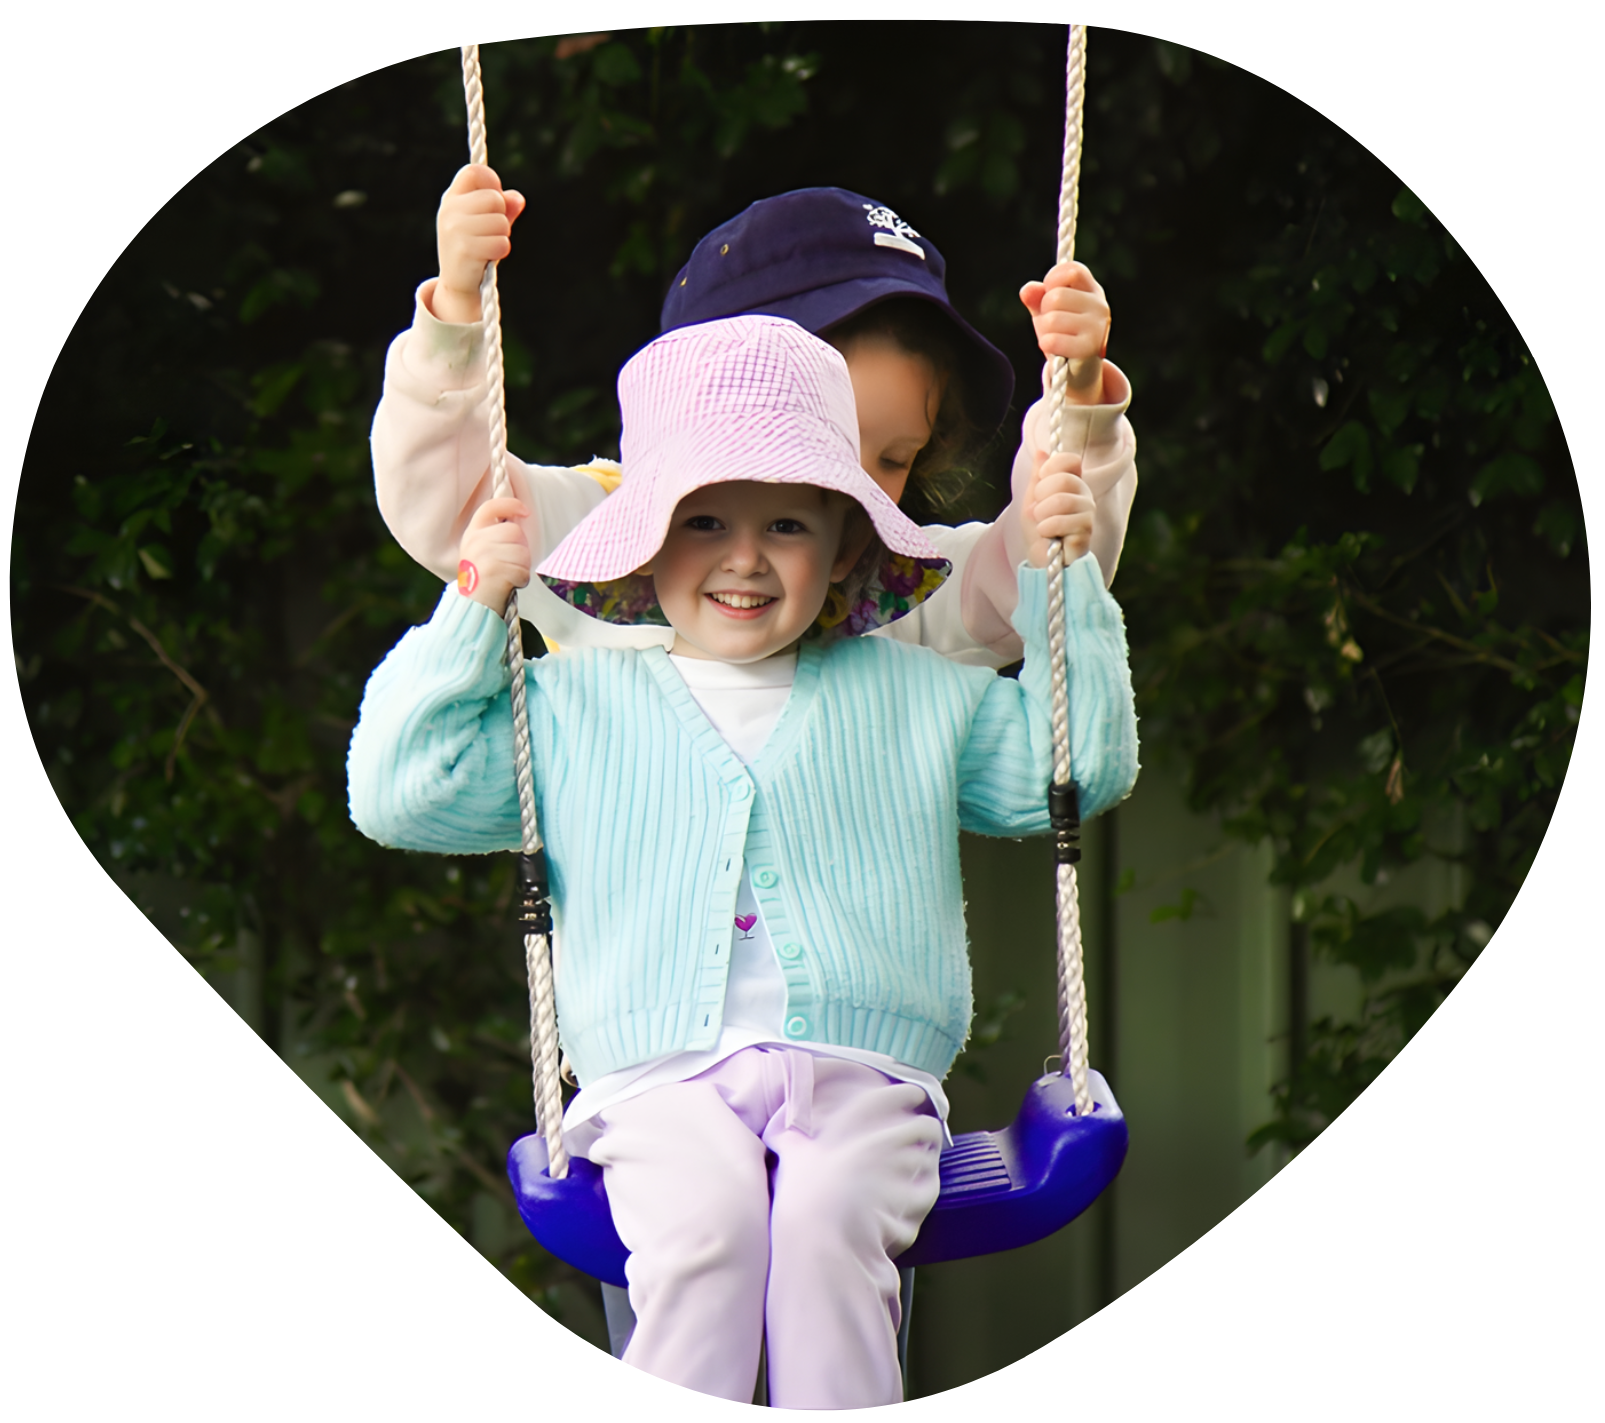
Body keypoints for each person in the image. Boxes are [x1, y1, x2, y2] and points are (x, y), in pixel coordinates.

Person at [347, 315, 1139, 1407]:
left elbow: (1074, 770)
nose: (745, 557)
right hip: (658, 1083)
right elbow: (401, 790)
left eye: (788, 524)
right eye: (704, 519)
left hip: (865, 1080)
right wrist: (476, 600)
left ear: (847, 544)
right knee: (707, 1229)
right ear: (645, 542)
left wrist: (1066, 584)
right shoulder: (571, 709)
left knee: (827, 1231)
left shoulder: (919, 698)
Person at [371, 167, 1138, 666]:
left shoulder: (898, 587)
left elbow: (1043, 569)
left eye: (893, 458)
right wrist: (457, 313)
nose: (851, 493)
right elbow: (456, 500)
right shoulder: (604, 542)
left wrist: (1079, 415)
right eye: (814, 444)